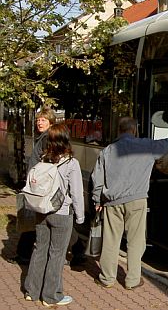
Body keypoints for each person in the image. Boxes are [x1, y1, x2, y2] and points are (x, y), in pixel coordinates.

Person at [91, 117, 168, 290]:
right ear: (134, 130)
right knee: (135, 241)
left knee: (111, 241)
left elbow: (97, 178)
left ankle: (107, 278)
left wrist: (97, 200)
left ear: (119, 130)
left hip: (112, 202)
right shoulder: (146, 146)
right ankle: (132, 280)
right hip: (137, 201)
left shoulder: (108, 150)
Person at [24, 123, 85, 307]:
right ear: (66, 139)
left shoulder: (43, 159)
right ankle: (51, 296)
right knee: (57, 254)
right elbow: (76, 193)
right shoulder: (71, 163)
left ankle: (31, 291)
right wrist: (80, 218)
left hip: (41, 210)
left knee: (39, 249)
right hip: (61, 212)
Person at [9, 107, 56, 265]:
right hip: (36, 184)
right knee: (34, 219)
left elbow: (48, 162)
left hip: (40, 186)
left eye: (43, 120)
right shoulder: (42, 137)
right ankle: (23, 253)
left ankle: (23, 254)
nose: (39, 123)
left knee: (33, 219)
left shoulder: (47, 138)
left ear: (51, 122)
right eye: (38, 120)